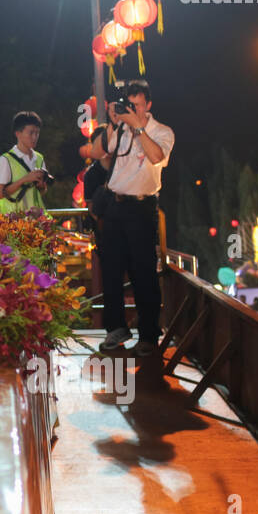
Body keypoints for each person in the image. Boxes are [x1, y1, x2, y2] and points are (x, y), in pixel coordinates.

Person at [94, 80, 175, 356]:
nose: (133, 110)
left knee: (143, 273)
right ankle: (115, 328)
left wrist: (138, 128)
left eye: (137, 105)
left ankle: (149, 335)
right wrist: (114, 123)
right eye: (130, 105)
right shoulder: (123, 130)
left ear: (148, 105)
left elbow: (156, 157)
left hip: (142, 209)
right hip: (116, 206)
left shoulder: (162, 131)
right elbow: (100, 153)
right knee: (112, 271)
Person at [0, 111, 49, 215]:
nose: (35, 137)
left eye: (37, 133)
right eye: (31, 133)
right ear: (18, 134)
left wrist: (42, 186)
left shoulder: (39, 158)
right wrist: (26, 179)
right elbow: (1, 194)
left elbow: (42, 192)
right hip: (16, 222)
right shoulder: (6, 159)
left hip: (37, 219)